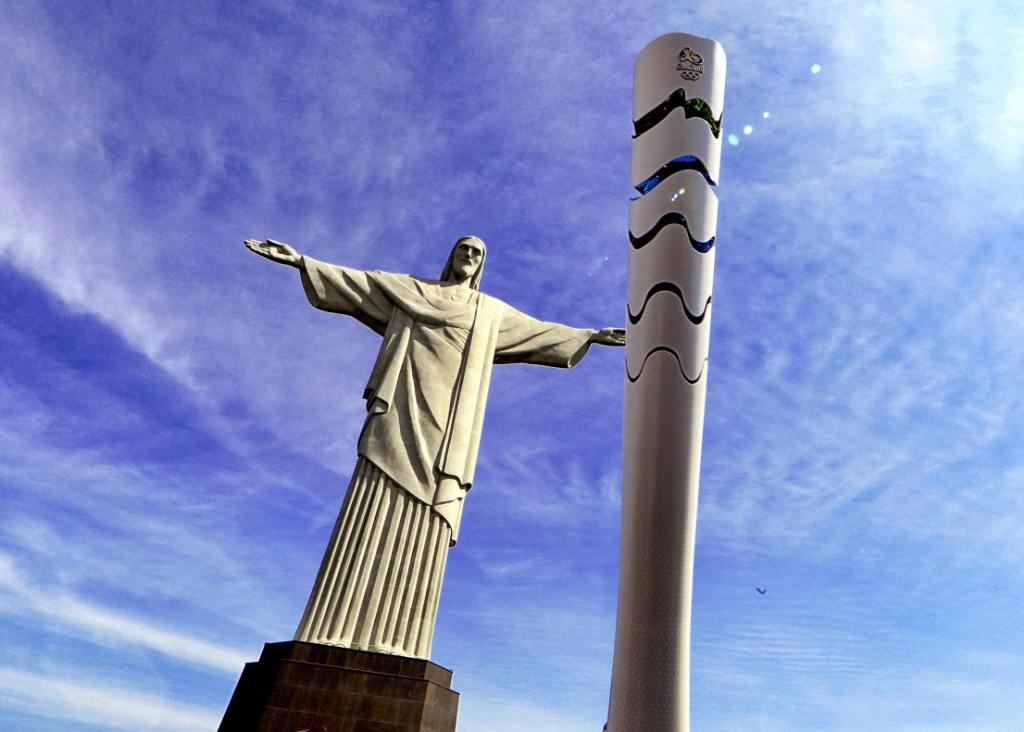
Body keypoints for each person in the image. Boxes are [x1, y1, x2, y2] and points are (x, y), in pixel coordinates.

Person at [245, 236, 625, 659]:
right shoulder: (413, 291)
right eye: (463, 248)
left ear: (482, 265)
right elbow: (359, 284)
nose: (469, 256)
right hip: (399, 408)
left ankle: (401, 640)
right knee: (374, 498)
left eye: (477, 252)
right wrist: (301, 261)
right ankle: (329, 627)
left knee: (427, 515)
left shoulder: (489, 312)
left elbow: (538, 331)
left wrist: (590, 335)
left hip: (449, 428)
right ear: (451, 255)